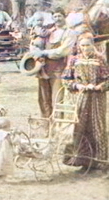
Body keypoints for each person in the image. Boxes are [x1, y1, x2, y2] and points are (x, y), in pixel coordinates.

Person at [61, 36, 108, 173]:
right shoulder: (74, 60)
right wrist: (77, 85)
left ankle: (100, 161)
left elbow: (107, 79)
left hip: (96, 98)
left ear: (92, 45)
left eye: (87, 45)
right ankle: (81, 159)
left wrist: (100, 86)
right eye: (82, 45)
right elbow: (66, 79)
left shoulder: (100, 59)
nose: (85, 48)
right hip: (81, 97)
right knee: (79, 125)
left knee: (97, 126)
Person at [33, 12, 67, 118]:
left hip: (58, 69)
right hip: (43, 68)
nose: (57, 19)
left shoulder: (67, 32)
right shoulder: (46, 30)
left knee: (57, 97)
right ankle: (45, 123)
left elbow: (63, 51)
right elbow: (34, 44)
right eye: (55, 16)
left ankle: (57, 125)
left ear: (64, 17)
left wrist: (44, 53)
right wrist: (35, 53)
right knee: (43, 97)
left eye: (60, 16)